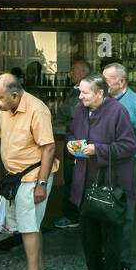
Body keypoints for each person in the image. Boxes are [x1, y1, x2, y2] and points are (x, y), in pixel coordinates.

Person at [68, 74, 136, 270]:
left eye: (85, 92)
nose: (81, 96)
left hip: (112, 182)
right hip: (85, 181)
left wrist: (98, 149)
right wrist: (71, 144)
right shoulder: (80, 109)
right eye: (80, 91)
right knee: (88, 233)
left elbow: (129, 146)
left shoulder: (118, 111)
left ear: (100, 93)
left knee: (112, 234)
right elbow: (72, 132)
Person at [0, 73, 58, 270]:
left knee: (29, 227)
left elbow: (49, 148)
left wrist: (41, 184)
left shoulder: (37, 109)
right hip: (17, 177)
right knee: (31, 226)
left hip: (33, 176)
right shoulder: (5, 109)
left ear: (14, 95)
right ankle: (40, 269)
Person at [103, 63, 136, 270]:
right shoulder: (103, 100)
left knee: (124, 211)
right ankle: (105, 254)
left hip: (125, 165)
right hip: (103, 163)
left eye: (106, 80)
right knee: (103, 207)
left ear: (121, 82)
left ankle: (122, 259)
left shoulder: (135, 103)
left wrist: (126, 155)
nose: (101, 83)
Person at [53, 59, 91, 229]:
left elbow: (77, 112)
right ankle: (73, 215)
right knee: (70, 177)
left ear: (84, 72)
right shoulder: (73, 90)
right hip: (72, 138)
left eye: (73, 70)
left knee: (78, 178)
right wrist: (69, 109)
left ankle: (74, 216)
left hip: (81, 140)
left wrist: (68, 108)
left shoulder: (89, 90)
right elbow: (63, 112)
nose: (70, 73)